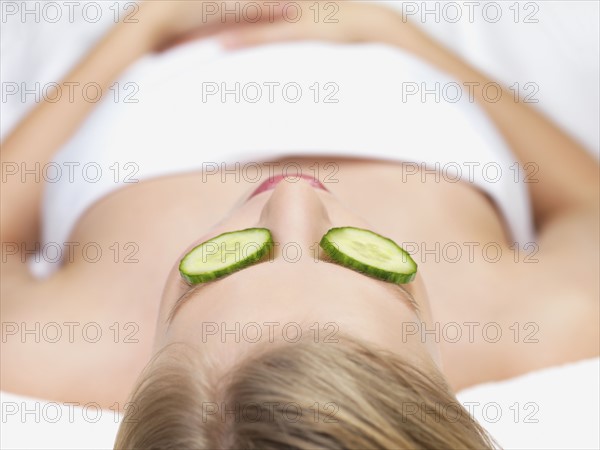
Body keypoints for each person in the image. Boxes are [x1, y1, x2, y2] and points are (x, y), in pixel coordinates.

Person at [1, 1, 597, 448]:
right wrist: (393, 31)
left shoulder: (51, 350)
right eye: (356, 258)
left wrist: (141, 27)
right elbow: (587, 201)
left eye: (230, 258)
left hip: (172, 43)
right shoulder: (541, 323)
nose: (294, 195)